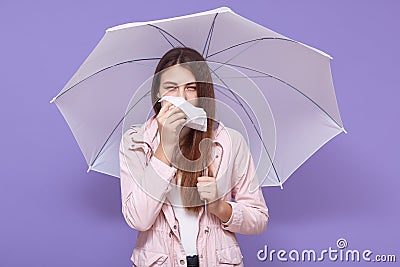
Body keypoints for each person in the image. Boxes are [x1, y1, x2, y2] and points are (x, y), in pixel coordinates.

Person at [119, 47, 269, 267]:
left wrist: (220, 207)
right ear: (158, 94)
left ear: (202, 95)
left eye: (191, 88)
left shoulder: (229, 141)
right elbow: (139, 219)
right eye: (171, 88)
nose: (181, 97)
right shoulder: (135, 142)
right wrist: (166, 147)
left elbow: (259, 218)